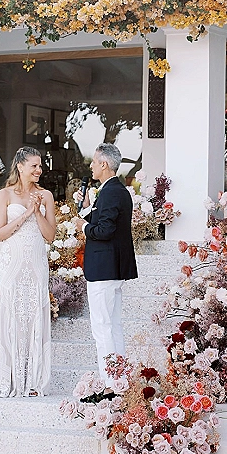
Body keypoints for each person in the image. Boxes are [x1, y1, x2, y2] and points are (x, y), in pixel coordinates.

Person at [0, 146, 56, 398]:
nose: (39, 169)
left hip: (35, 262)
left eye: (40, 165)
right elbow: (0, 234)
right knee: (10, 313)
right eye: (34, 165)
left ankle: (33, 380)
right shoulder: (5, 194)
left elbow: (50, 236)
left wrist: (37, 212)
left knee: (33, 314)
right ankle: (7, 378)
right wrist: (26, 214)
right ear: (20, 166)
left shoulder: (46, 195)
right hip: (11, 262)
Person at [73, 143, 137, 387]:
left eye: (94, 162)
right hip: (112, 269)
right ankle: (120, 380)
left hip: (104, 269)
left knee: (102, 328)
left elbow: (105, 230)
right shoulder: (115, 190)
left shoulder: (111, 192)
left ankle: (110, 383)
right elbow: (104, 221)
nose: (91, 166)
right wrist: (89, 207)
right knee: (114, 326)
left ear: (104, 164)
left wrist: (84, 228)